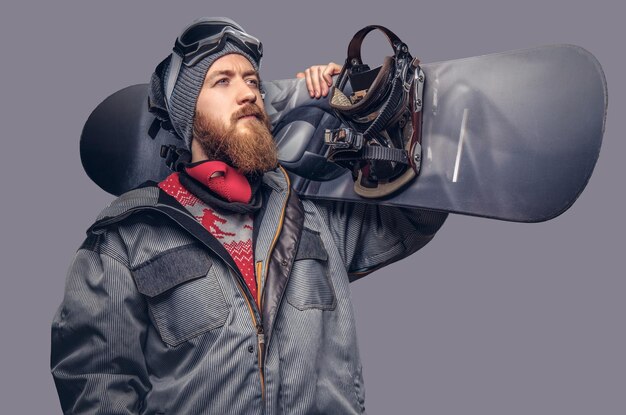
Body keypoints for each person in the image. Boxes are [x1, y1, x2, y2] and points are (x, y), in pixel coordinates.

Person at [51, 17, 447, 414]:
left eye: (253, 81)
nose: (247, 94)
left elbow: (414, 218)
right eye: (222, 81)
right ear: (187, 115)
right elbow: (96, 382)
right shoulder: (127, 237)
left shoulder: (313, 212)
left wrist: (357, 115)